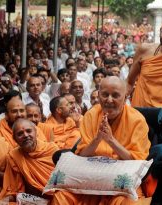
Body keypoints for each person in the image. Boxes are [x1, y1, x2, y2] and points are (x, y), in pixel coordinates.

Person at [52, 76, 152, 204]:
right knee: (61, 197)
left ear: (125, 97)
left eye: (115, 95)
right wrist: (98, 139)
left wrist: (110, 140)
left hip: (120, 186)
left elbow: (137, 162)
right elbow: (81, 155)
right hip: (89, 181)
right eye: (105, 95)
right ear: (99, 96)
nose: (109, 100)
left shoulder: (137, 120)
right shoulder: (91, 115)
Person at [0, 119, 59, 203]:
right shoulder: (14, 156)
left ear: (36, 132)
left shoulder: (51, 149)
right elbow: (14, 190)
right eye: (20, 134)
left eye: (29, 131)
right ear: (14, 139)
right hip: (34, 199)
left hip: (57, 195)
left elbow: (64, 179)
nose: (25, 135)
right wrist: (5, 200)